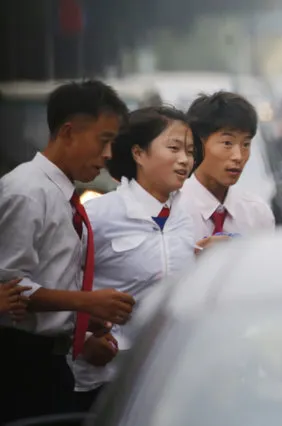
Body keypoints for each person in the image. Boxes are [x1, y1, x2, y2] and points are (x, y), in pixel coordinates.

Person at [0, 80, 135, 423]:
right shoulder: (27, 191)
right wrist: (85, 302)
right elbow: (10, 289)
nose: (107, 155)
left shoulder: (64, 195)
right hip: (21, 362)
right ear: (69, 132)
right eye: (103, 141)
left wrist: (83, 326)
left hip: (56, 361)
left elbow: (50, 278)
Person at [71, 106, 198, 411]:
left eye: (191, 151)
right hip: (107, 379)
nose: (185, 160)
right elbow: (60, 283)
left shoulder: (188, 217)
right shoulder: (98, 215)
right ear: (139, 154)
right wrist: (85, 336)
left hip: (168, 379)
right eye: (174, 148)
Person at [182, 91, 275, 240]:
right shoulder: (171, 211)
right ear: (197, 144)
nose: (238, 156)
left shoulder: (257, 213)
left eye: (246, 144)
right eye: (227, 143)